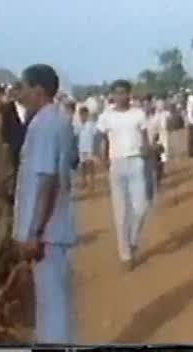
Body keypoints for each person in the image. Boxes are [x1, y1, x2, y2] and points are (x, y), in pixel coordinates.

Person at [12, 64, 77, 344]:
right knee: (52, 304)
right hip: (52, 227)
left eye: (23, 87)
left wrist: (35, 231)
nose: (20, 93)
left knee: (52, 308)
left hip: (47, 231)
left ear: (37, 90)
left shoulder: (45, 125)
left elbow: (47, 180)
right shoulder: (56, 120)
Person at [96, 80, 150, 271]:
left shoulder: (138, 114)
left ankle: (133, 240)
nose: (120, 97)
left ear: (129, 94)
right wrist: (102, 158)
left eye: (123, 93)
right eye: (117, 93)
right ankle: (125, 255)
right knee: (120, 212)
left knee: (141, 207)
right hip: (116, 163)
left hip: (136, 161)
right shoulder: (106, 116)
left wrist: (147, 151)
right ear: (112, 95)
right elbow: (101, 138)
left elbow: (145, 138)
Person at [76, 106, 99, 192]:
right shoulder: (77, 124)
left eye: (84, 114)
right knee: (83, 166)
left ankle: (92, 183)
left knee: (90, 165)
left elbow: (96, 136)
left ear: (87, 114)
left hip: (90, 147)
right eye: (81, 114)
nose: (83, 116)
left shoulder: (91, 124)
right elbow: (76, 136)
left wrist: (95, 148)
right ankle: (84, 182)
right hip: (81, 147)